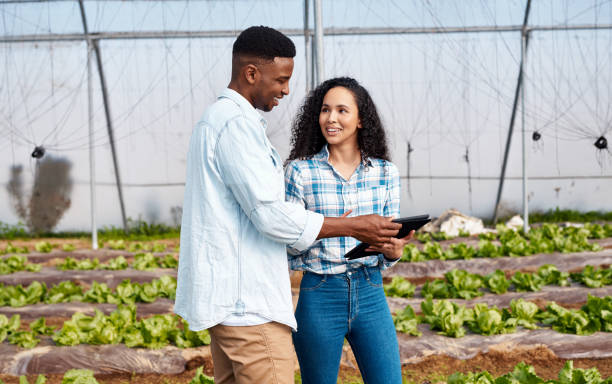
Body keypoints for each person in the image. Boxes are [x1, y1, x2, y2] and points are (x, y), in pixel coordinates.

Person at [174, 27, 402, 384]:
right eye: (281, 79)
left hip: (353, 290)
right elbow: (271, 216)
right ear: (252, 73)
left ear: (361, 118)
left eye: (343, 110)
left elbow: (267, 214)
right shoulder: (236, 127)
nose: (286, 89)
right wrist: (352, 226)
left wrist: (388, 245)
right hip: (251, 305)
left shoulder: (227, 122)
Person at [285, 77, 412, 384]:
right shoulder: (300, 171)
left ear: (360, 120)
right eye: (325, 110)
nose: (331, 118)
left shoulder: (385, 172)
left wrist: (393, 251)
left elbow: (388, 243)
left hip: (371, 292)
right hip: (319, 294)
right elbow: (288, 243)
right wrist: (331, 228)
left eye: (342, 110)